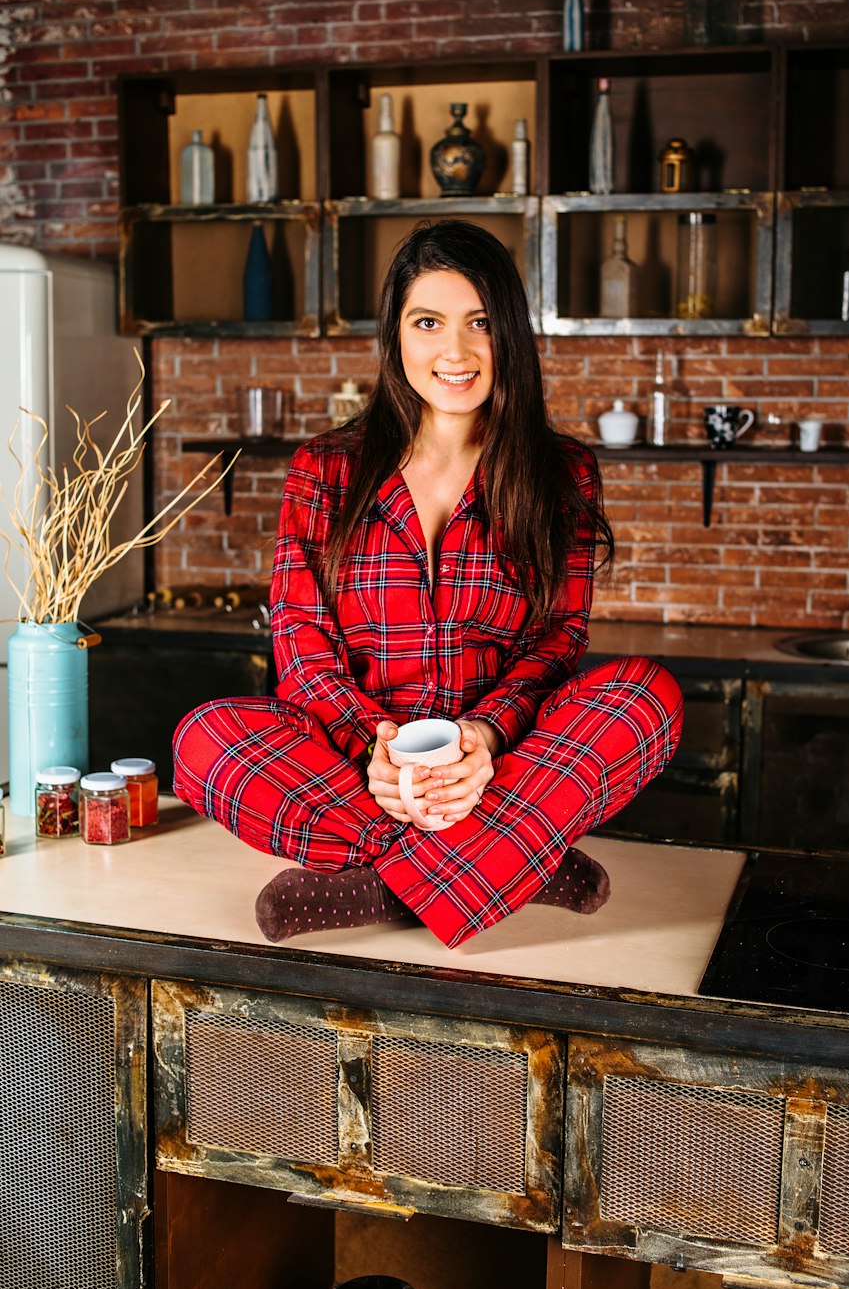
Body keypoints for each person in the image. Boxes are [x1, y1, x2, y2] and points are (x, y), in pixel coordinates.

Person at [173, 220, 683, 949]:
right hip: (361, 772)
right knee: (205, 741)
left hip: (501, 766)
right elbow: (301, 645)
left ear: (509, 333)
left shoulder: (563, 473)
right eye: (429, 322)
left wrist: (485, 736)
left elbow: (556, 642)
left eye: (480, 322)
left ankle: (390, 884)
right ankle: (517, 863)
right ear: (397, 336)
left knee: (646, 698)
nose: (457, 350)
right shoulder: (325, 470)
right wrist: (372, 754)